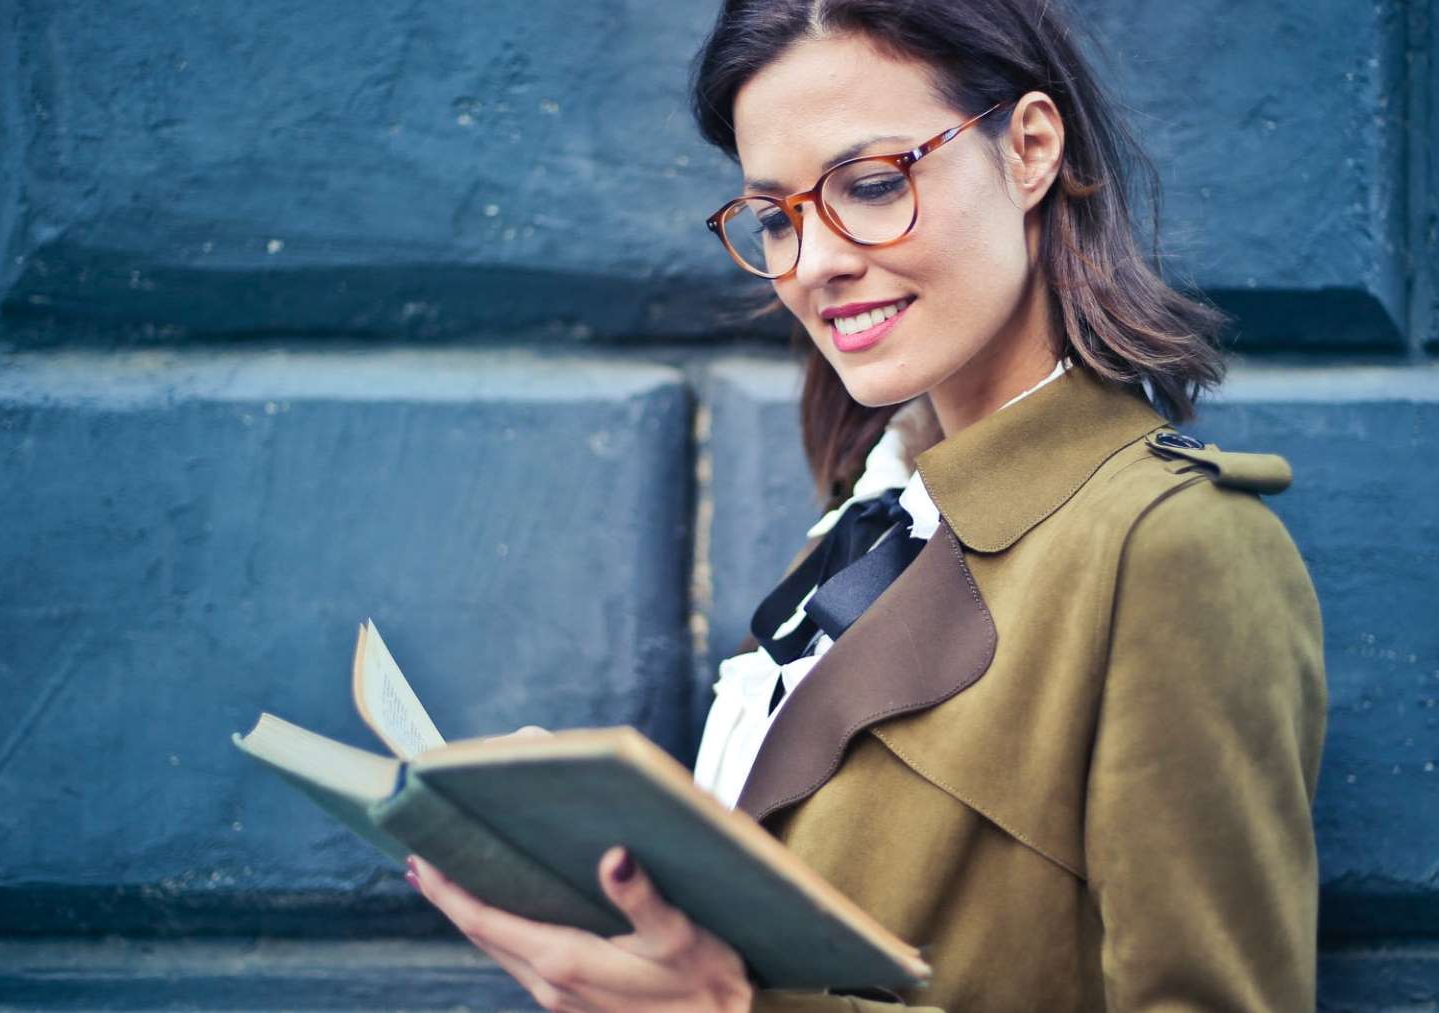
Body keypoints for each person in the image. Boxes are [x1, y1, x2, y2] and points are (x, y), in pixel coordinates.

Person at [407, 1, 1328, 1009]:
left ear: (1029, 150)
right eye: (777, 216)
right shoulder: (873, 517)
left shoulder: (1174, 545)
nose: (813, 262)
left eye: (874, 185)